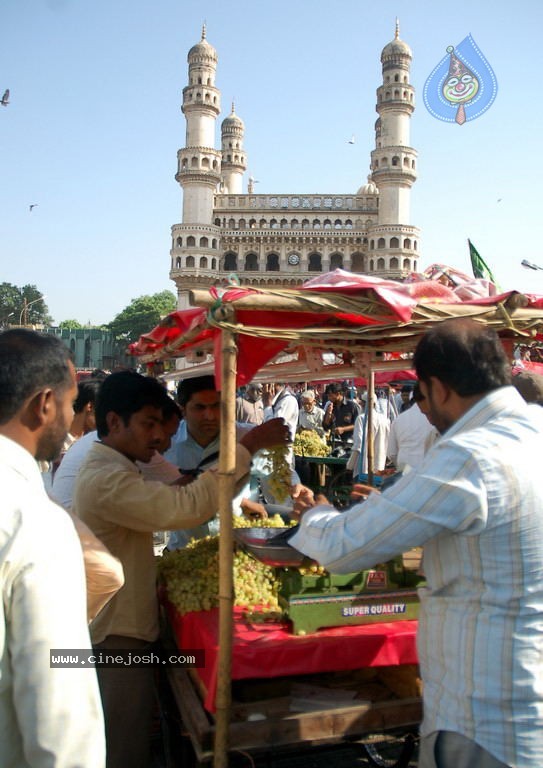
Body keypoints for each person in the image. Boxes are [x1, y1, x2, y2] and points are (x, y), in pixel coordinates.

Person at [291, 318, 543, 768]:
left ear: (438, 388)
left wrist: (315, 514)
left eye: (423, 397)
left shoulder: (470, 454)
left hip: (486, 715)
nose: (423, 411)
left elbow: (345, 547)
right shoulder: (534, 428)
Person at [73, 370, 289, 768]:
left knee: (136, 729)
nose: (159, 437)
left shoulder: (121, 467)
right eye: (149, 424)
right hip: (117, 637)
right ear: (114, 421)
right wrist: (248, 446)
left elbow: (180, 492)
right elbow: (187, 507)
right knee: (124, 745)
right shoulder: (106, 479)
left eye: (161, 424)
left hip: (127, 626)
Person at [0, 328, 105, 767]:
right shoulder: (35, 522)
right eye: (70, 402)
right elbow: (61, 721)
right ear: (44, 405)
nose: (72, 417)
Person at [386, 382, 439, 472]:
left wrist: (402, 467)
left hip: (404, 471)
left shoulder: (398, 420)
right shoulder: (436, 419)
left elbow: (392, 453)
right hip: (429, 470)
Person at [346, 391, 390, 476]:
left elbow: (358, 445)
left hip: (363, 467)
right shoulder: (385, 420)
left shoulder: (361, 418)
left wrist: (350, 465)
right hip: (379, 467)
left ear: (363, 404)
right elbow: (389, 443)